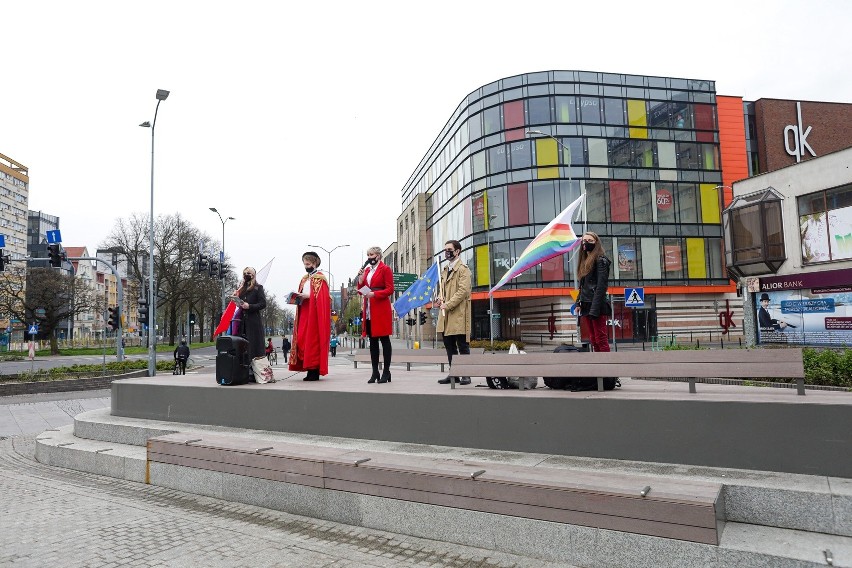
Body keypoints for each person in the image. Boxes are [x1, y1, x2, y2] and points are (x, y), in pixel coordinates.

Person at [289, 251, 331, 381]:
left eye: (308, 263)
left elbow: (323, 298)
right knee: (302, 339)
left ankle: (314, 370)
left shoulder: (320, 278)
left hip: (315, 315)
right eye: (304, 264)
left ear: (314, 263)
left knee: (313, 341)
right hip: (304, 312)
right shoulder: (304, 279)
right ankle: (307, 367)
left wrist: (309, 296)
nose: (306, 266)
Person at [435, 239, 472, 385]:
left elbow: (463, 291)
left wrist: (448, 305)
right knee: (449, 345)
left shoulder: (464, 270)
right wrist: (439, 299)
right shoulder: (445, 270)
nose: (447, 252)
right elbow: (443, 290)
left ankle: (466, 375)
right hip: (446, 314)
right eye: (445, 249)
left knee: (462, 346)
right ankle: (454, 374)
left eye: (449, 249)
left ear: (457, 251)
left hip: (459, 314)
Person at [358, 246, 394, 383]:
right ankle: (375, 372)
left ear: (378, 255)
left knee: (384, 340)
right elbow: (361, 290)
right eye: (368, 255)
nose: (369, 257)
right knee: (372, 341)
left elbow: (390, 289)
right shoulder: (367, 270)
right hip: (369, 308)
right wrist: (361, 280)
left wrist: (375, 294)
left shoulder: (385, 269)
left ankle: (386, 371)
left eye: (371, 254)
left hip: (380, 307)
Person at [574, 231, 612, 353]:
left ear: (596, 243)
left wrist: (594, 309)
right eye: (584, 241)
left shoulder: (601, 260)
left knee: (600, 338)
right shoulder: (585, 261)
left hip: (597, 304)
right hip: (586, 304)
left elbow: (601, 286)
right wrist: (578, 303)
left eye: (590, 240)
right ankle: (598, 364)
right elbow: (583, 286)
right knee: (593, 339)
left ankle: (607, 365)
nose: (586, 243)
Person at [235, 266, 268, 381]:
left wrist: (250, 306)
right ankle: (244, 371)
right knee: (242, 346)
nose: (246, 274)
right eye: (244, 273)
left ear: (253, 274)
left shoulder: (258, 288)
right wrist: (236, 298)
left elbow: (263, 303)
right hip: (241, 322)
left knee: (254, 346)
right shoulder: (241, 288)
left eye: (248, 273)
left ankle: (255, 373)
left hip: (253, 322)